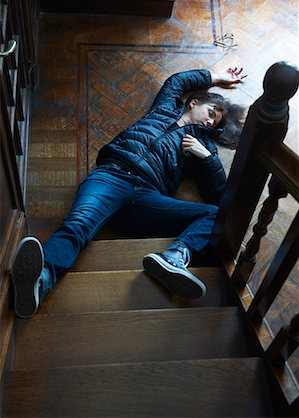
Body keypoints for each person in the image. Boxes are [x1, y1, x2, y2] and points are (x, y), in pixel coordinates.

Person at [12, 67, 247, 318]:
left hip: (146, 198)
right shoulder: (164, 108)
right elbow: (178, 81)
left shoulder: (203, 146)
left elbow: (219, 197)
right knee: (78, 223)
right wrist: (217, 78)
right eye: (211, 113)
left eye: (215, 122)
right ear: (194, 102)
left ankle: (174, 258)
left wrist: (208, 157)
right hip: (112, 176)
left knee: (213, 214)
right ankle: (40, 281)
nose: (211, 122)